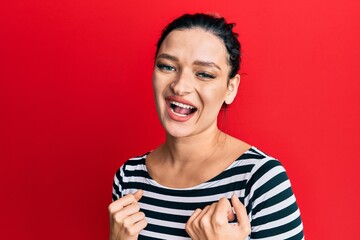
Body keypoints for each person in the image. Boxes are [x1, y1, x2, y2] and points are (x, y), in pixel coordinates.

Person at [109, 13, 304, 240]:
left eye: (204, 74)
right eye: (167, 66)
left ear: (230, 88)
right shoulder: (129, 177)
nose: (180, 86)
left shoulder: (260, 179)